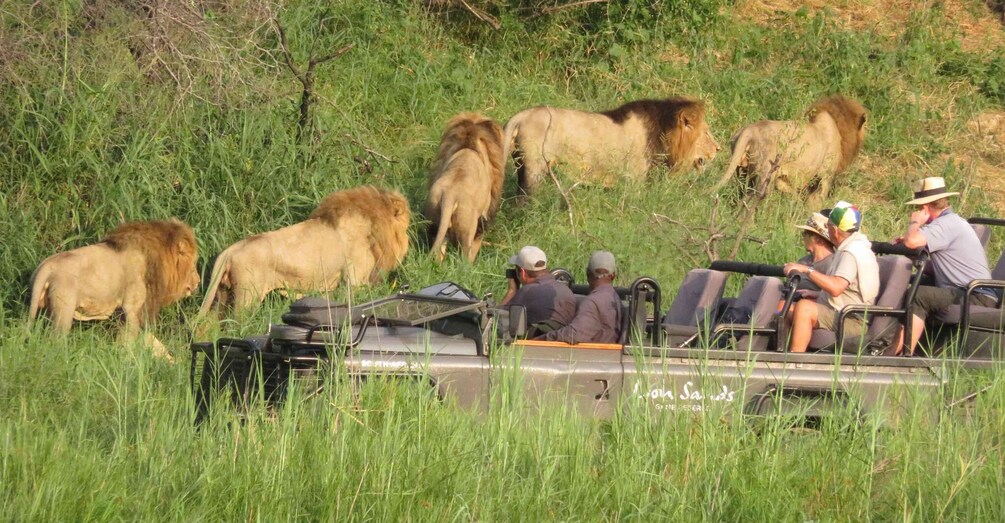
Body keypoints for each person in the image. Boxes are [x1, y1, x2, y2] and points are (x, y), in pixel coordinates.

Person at [892, 176, 994, 354]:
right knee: (912, 282)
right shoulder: (949, 223)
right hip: (962, 290)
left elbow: (912, 241)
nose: (916, 210)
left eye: (918, 207)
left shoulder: (947, 224)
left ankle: (902, 354)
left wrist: (915, 223)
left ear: (925, 207)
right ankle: (895, 343)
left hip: (976, 295)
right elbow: (936, 267)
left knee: (919, 295)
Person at [783, 201, 879, 353]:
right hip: (841, 312)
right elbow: (849, 291)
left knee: (804, 309)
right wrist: (817, 294)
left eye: (828, 226)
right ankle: (779, 353)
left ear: (834, 230)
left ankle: (794, 362)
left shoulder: (851, 252)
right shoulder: (849, 248)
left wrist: (807, 270)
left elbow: (836, 288)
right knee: (784, 306)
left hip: (852, 320)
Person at [537, 251, 623, 344]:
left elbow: (573, 335)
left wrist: (542, 339)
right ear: (614, 275)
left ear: (588, 274)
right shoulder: (615, 298)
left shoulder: (593, 302)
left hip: (592, 355)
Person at [501, 245, 576, 335]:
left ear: (523, 273)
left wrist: (512, 291)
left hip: (536, 344)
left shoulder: (526, 292)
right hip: (563, 343)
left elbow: (497, 318)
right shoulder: (565, 290)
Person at [793, 210, 837, 300]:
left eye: (806, 233)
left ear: (817, 239)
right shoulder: (804, 260)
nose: (802, 236)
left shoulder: (834, 263)